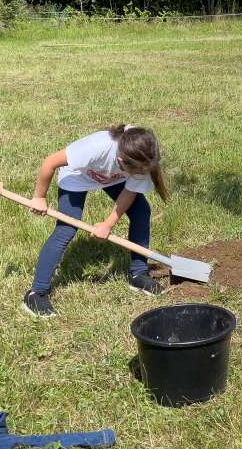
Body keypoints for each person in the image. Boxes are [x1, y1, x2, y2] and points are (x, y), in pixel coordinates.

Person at [22, 124, 170, 318]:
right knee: (67, 228)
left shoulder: (141, 160)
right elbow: (50, 162)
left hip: (113, 178)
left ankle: (139, 274)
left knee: (141, 211)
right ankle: (35, 293)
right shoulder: (95, 148)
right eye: (137, 172)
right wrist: (39, 197)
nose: (142, 174)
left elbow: (129, 192)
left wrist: (108, 224)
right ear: (120, 161)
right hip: (77, 175)